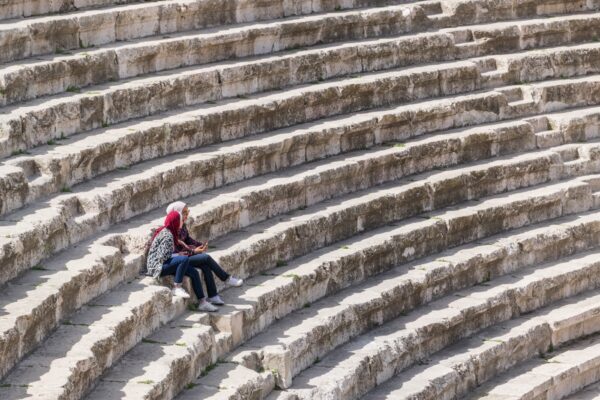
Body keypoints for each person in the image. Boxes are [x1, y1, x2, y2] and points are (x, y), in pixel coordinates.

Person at [166, 201, 243, 306]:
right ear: (177, 213)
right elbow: (176, 252)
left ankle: (213, 296)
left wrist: (200, 245)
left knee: (206, 266)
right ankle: (226, 278)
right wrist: (194, 251)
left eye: (187, 212)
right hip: (180, 261)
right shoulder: (171, 229)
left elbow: (187, 239)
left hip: (186, 256)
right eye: (184, 212)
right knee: (206, 258)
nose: (186, 215)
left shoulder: (182, 225)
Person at [146, 210, 218, 312]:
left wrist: (177, 255)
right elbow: (161, 256)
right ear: (175, 222)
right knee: (183, 259)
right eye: (180, 220)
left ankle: (203, 302)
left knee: (194, 272)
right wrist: (178, 255)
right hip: (157, 266)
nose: (182, 222)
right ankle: (177, 287)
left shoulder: (172, 232)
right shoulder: (167, 235)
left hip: (165, 262)